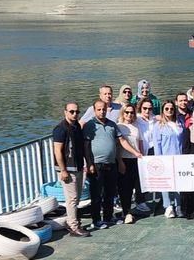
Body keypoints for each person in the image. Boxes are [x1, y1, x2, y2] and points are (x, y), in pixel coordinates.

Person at [83, 100, 141, 230]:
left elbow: (122, 141)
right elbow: (86, 145)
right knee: (96, 194)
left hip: (111, 163)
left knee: (110, 193)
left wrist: (136, 153)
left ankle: (108, 217)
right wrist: (89, 163)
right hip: (97, 164)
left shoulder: (112, 125)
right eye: (99, 109)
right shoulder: (90, 125)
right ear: (94, 110)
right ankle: (96, 220)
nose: (102, 111)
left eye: (103, 109)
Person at [53, 102, 90, 237]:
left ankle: (72, 221)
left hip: (78, 166)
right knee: (72, 198)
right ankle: (73, 226)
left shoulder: (76, 127)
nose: (75, 114)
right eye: (71, 112)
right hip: (68, 169)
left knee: (77, 197)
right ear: (65, 112)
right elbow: (58, 150)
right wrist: (63, 170)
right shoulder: (60, 129)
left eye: (77, 112)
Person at [154, 100, 185, 218]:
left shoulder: (180, 122)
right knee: (166, 183)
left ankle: (178, 205)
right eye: (167, 109)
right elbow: (157, 144)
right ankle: (168, 206)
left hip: (179, 157)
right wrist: (159, 159)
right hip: (166, 158)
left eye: (171, 109)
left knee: (179, 183)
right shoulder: (158, 126)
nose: (169, 111)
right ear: (163, 110)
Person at [116, 104, 143, 224]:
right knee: (124, 188)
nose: (129, 114)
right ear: (123, 113)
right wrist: (120, 161)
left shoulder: (136, 126)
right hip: (124, 159)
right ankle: (126, 212)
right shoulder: (119, 126)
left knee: (134, 186)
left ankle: (132, 208)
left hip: (136, 160)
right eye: (127, 112)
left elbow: (140, 143)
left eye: (132, 112)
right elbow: (117, 145)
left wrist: (142, 156)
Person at [133, 98, 156, 213]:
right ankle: (140, 201)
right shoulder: (136, 119)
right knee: (139, 177)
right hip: (141, 151)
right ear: (140, 108)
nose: (147, 111)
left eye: (150, 108)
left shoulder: (154, 119)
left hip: (153, 150)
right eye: (145, 108)